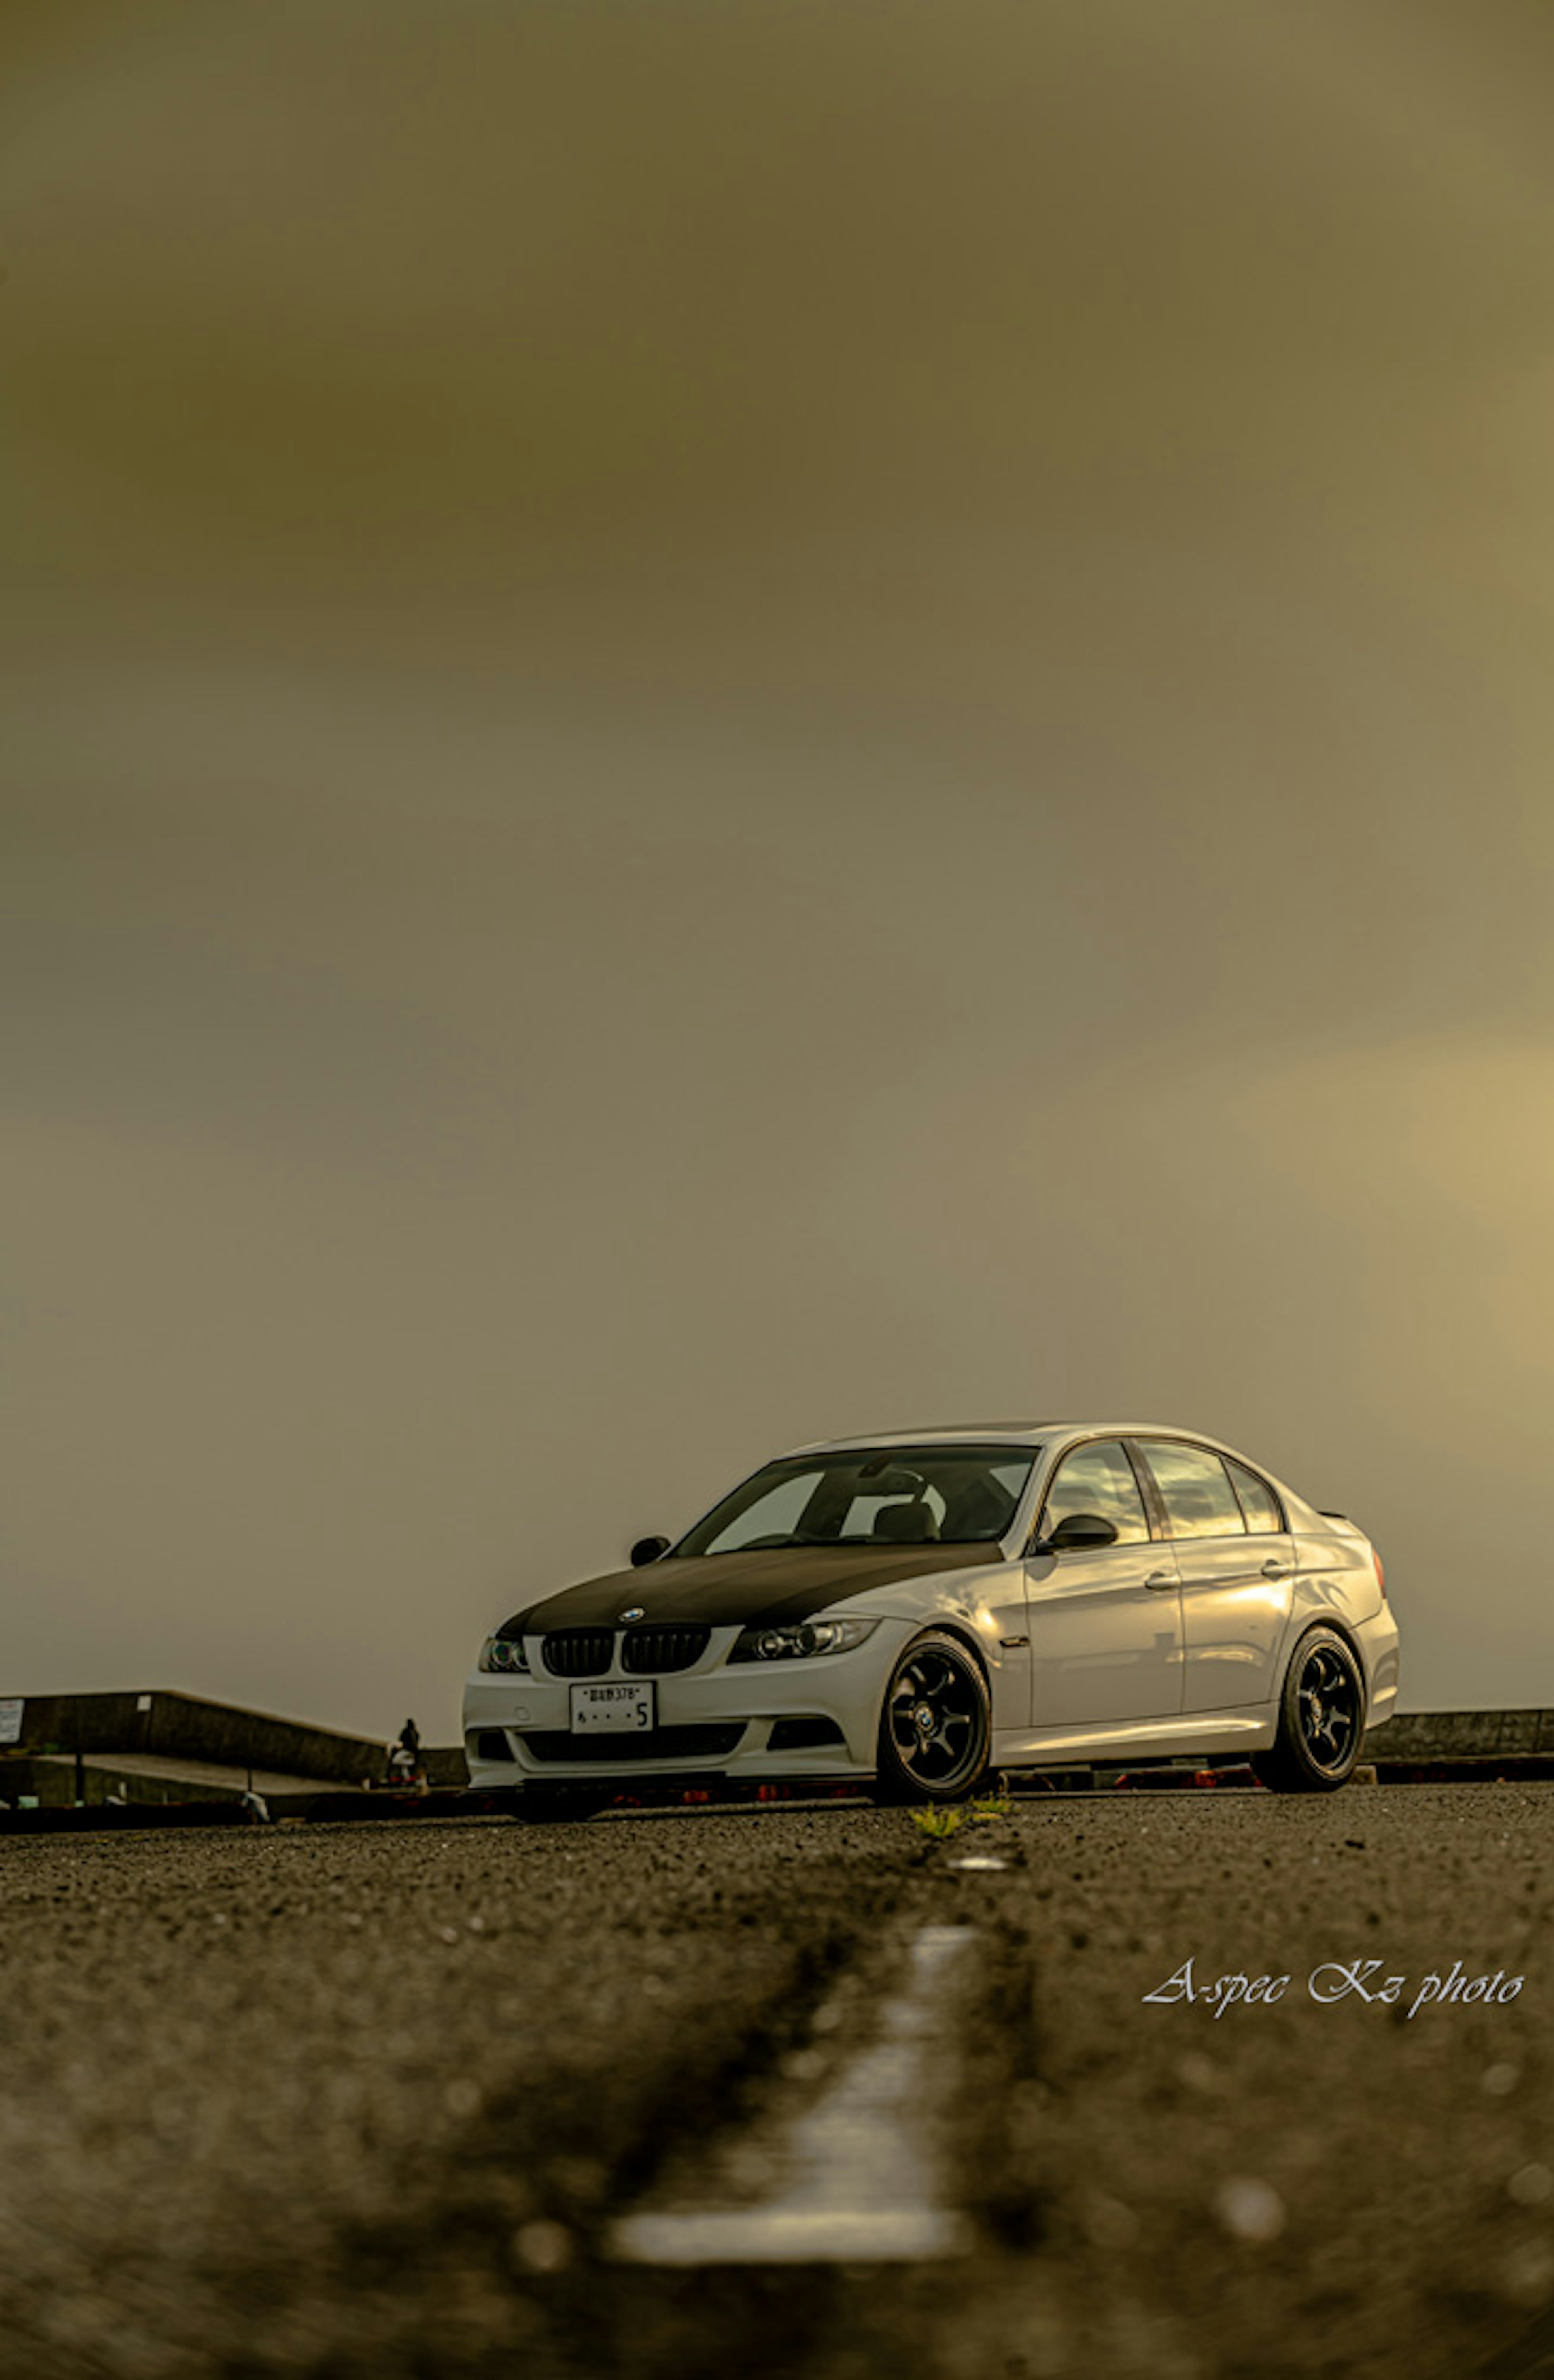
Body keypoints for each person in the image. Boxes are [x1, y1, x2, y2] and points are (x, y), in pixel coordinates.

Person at [388, 1718, 425, 1792]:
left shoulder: (406, 1731)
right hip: (413, 1752)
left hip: (406, 1750)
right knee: (405, 1765)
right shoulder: (416, 1733)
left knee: (396, 1761)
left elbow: (401, 1740)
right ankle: (407, 1777)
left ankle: (407, 1776)